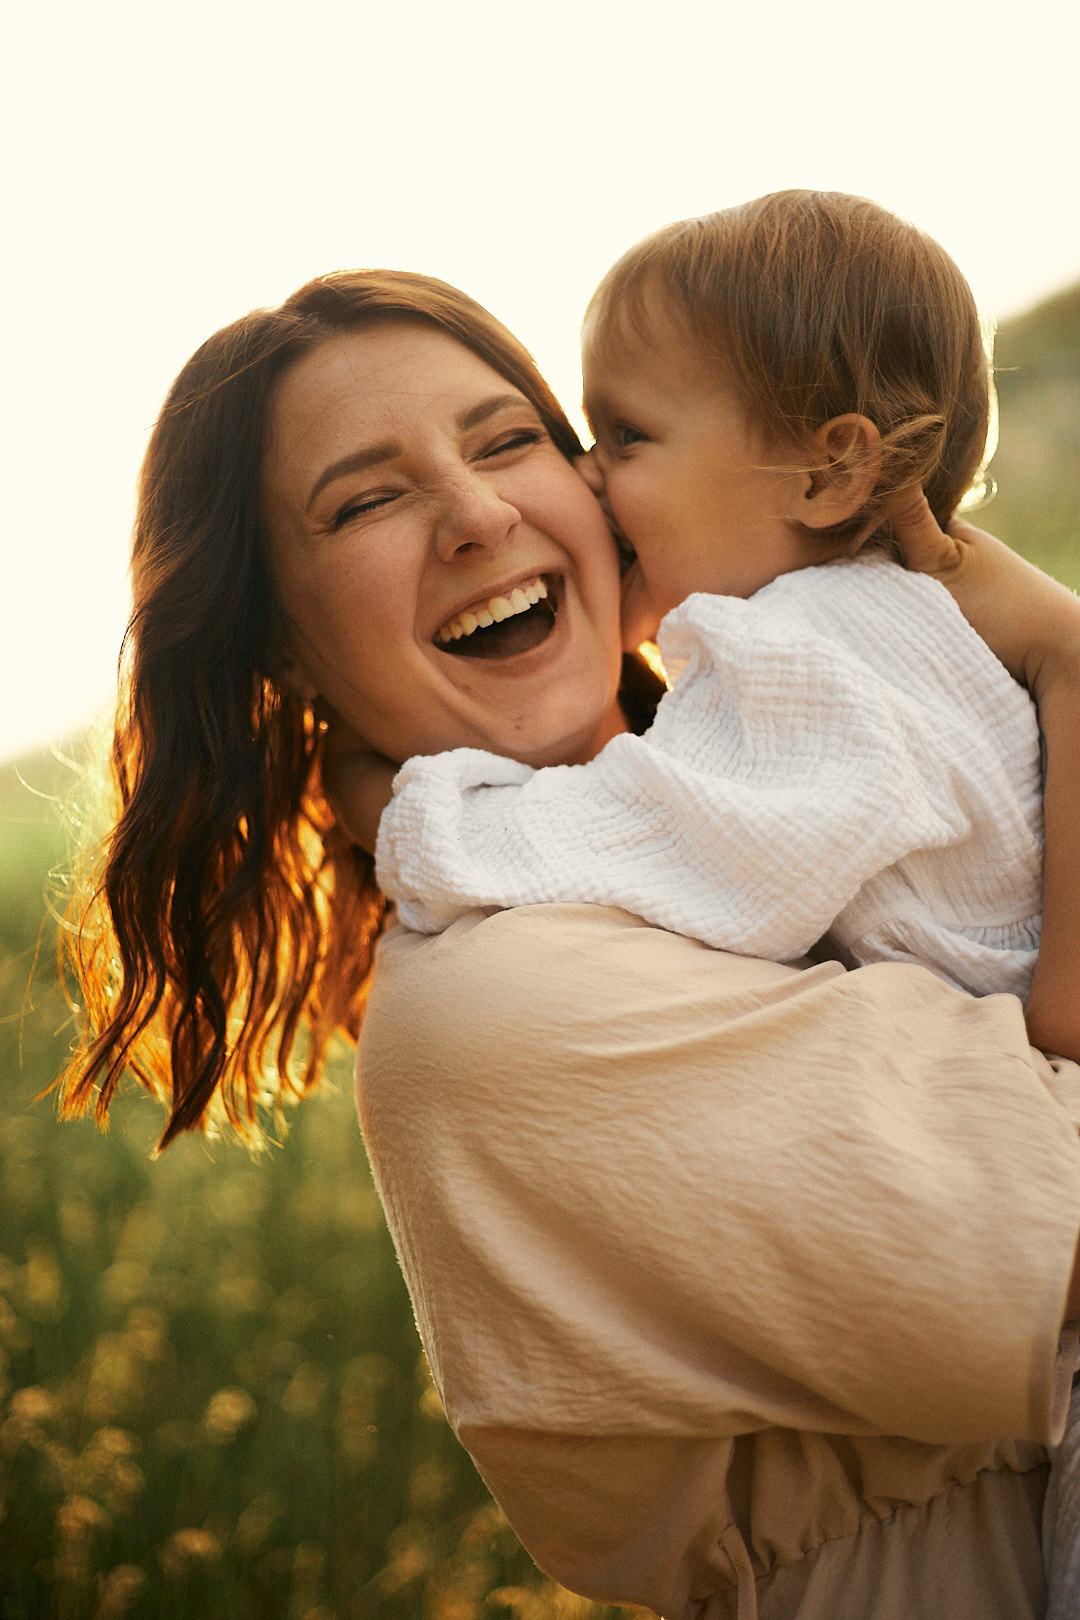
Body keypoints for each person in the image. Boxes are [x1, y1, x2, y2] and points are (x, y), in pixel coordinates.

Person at [59, 269, 1080, 1618]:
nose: (480, 516)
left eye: (507, 442)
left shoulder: (773, 778)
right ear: (280, 647)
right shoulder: (495, 1005)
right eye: (365, 502)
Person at [353, 195, 1074, 1062]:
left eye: (628, 436)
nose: (589, 475)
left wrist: (378, 801)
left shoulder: (798, 657)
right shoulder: (898, 631)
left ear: (826, 475)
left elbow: (601, 839)